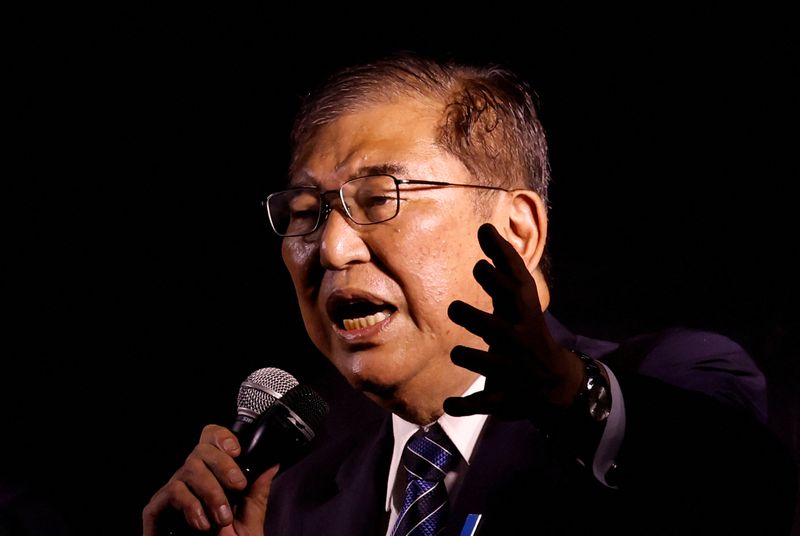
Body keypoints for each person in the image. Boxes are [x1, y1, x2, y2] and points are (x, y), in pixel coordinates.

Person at [142, 53, 798, 535]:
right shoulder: (296, 502)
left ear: (516, 230)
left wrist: (575, 397)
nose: (334, 249)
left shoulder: (676, 380)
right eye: (308, 211)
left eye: (380, 198)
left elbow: (745, 488)